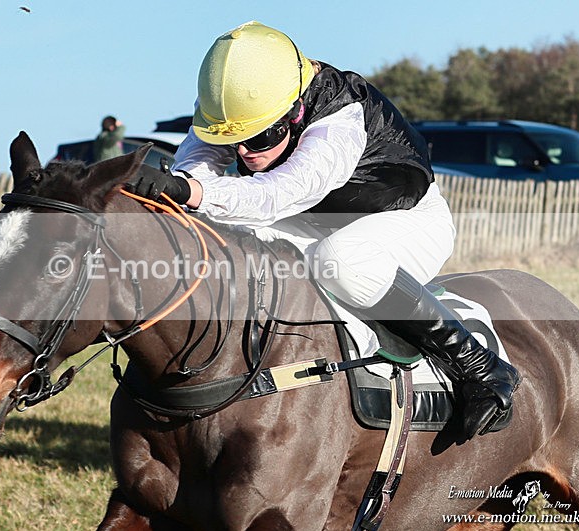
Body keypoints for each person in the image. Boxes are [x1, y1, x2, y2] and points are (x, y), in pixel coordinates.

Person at [127, 21, 520, 440]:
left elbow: (275, 196)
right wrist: (172, 187)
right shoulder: (246, 106)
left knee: (340, 261)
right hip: (315, 220)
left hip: (404, 220)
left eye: (257, 138)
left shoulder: (339, 123)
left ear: (295, 112)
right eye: (233, 139)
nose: (242, 151)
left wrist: (190, 190)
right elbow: (196, 168)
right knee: (226, 238)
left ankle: (481, 368)